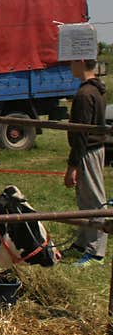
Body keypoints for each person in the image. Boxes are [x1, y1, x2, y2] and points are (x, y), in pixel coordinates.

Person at [65, 57, 107, 266]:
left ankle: (96, 250)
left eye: (72, 62)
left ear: (81, 62)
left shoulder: (84, 94)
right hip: (93, 149)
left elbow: (81, 134)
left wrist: (72, 166)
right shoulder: (95, 89)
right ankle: (83, 241)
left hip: (87, 150)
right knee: (84, 198)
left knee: (93, 200)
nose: (69, 66)